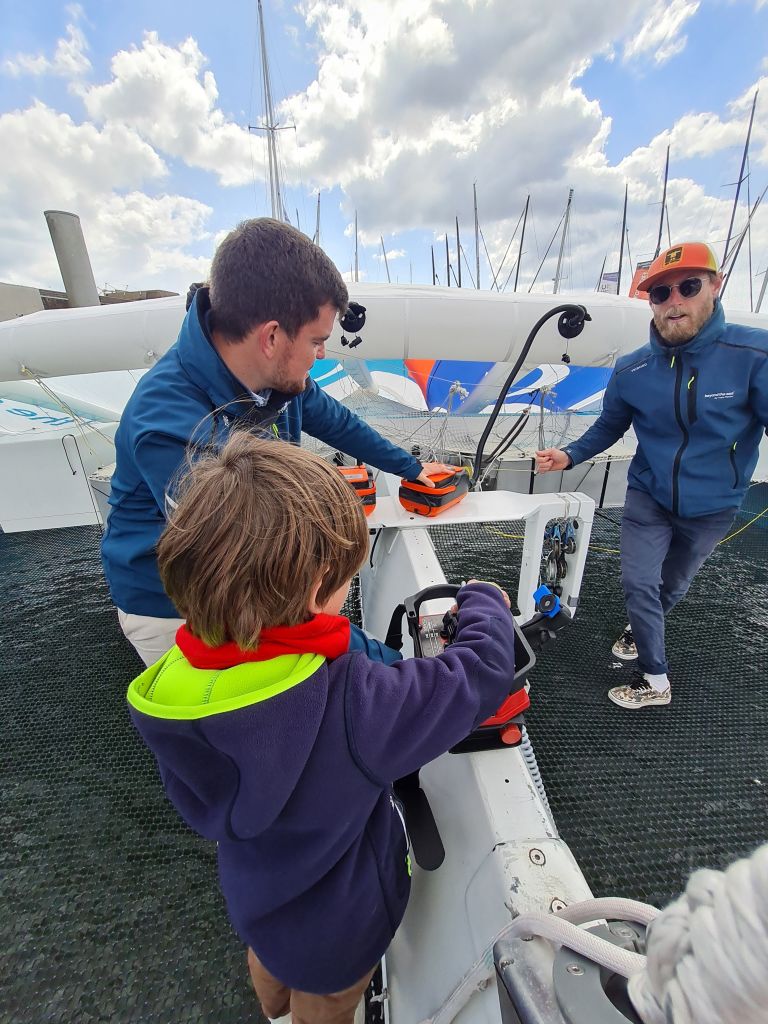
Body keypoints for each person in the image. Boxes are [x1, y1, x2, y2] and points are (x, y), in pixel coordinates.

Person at [126, 432, 518, 1024]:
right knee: (326, 1007)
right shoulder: (354, 702)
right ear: (317, 591)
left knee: (270, 969)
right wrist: (485, 600)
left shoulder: (172, 688)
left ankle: (273, 1012)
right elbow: (476, 675)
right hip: (339, 931)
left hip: (257, 904)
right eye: (345, 581)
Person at [102, 217, 448, 667]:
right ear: (271, 337)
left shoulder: (278, 377)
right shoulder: (169, 421)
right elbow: (256, 566)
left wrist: (410, 467)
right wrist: (392, 665)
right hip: (174, 608)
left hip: (247, 568)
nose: (321, 354)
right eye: (317, 341)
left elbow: (337, 422)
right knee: (240, 709)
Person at [536, 241, 768, 710]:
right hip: (648, 496)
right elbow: (609, 426)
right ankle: (654, 679)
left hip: (714, 506)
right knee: (639, 583)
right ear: (651, 302)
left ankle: (638, 630)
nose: (674, 301)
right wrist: (569, 454)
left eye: (688, 286)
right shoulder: (632, 368)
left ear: (715, 285)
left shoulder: (754, 353)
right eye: (661, 293)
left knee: (672, 585)